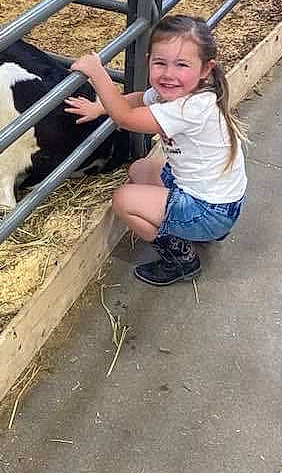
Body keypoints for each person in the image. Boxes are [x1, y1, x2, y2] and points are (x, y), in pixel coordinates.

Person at [65, 15, 248, 287]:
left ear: (205, 69)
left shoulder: (190, 108)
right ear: (149, 60)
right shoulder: (176, 93)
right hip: (211, 196)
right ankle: (199, 231)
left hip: (211, 209)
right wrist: (98, 107)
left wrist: (98, 74)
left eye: (181, 65)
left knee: (124, 200)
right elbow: (140, 98)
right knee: (139, 169)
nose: (168, 74)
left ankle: (181, 259)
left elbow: (126, 118)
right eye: (160, 63)